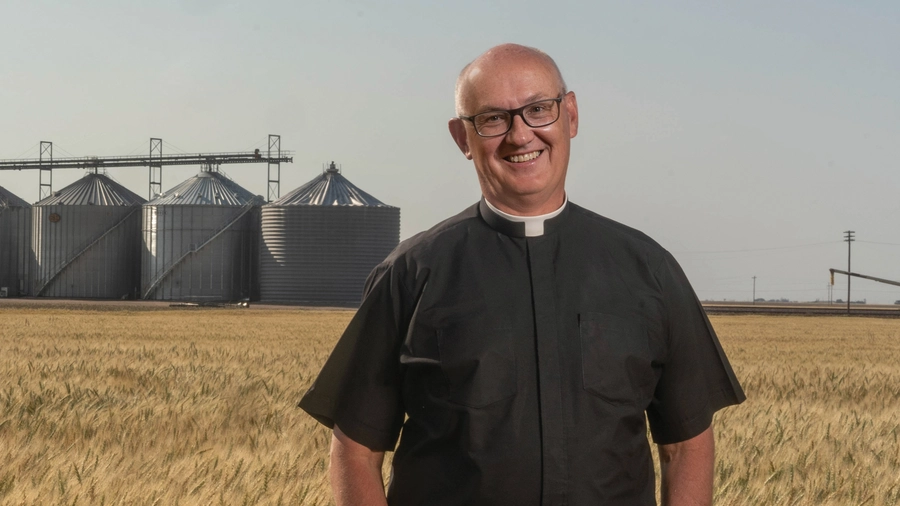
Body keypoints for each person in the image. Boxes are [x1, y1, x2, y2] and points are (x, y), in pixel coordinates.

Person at [300, 43, 745, 506]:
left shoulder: (649, 269)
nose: (520, 135)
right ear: (461, 138)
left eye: (538, 110)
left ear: (570, 115)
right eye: (493, 118)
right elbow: (355, 448)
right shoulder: (410, 274)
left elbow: (686, 445)